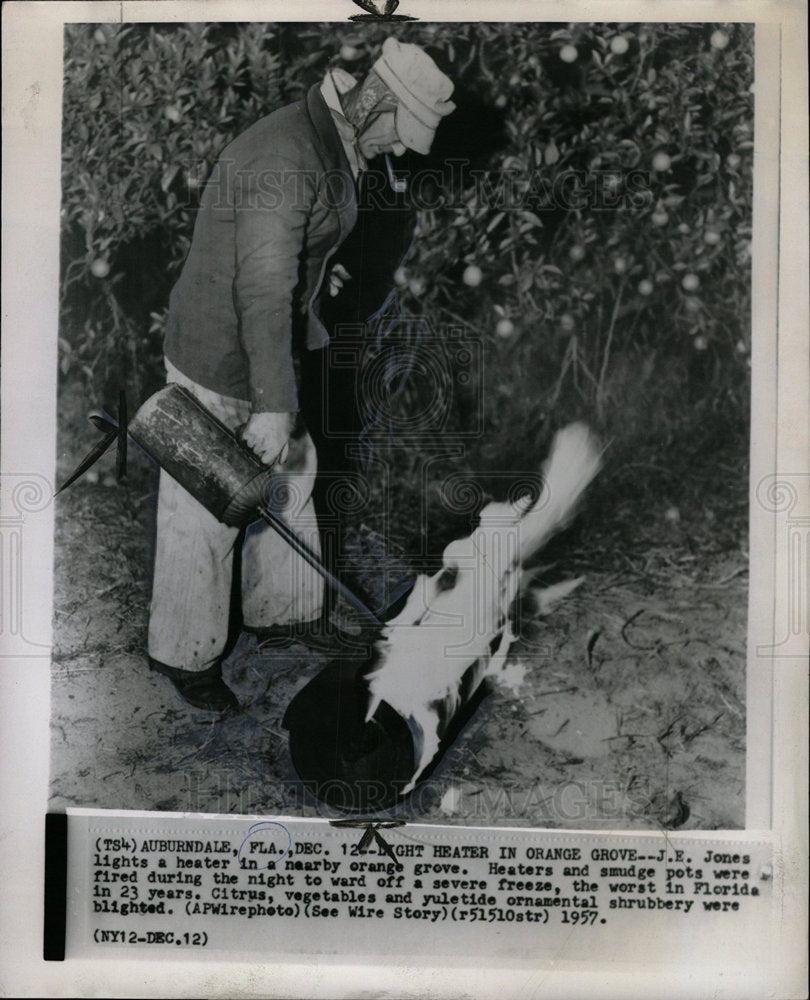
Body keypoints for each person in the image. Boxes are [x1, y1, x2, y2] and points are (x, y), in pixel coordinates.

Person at [148, 37, 455, 713]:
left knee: (291, 475)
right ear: (374, 103)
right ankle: (183, 653)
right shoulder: (288, 156)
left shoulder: (331, 136)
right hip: (221, 352)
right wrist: (272, 406)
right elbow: (260, 294)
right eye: (401, 137)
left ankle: (283, 613)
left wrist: (321, 268)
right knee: (208, 506)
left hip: (262, 341)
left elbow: (292, 248)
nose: (400, 155)